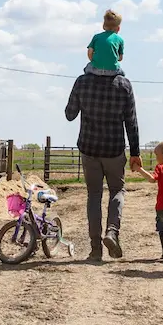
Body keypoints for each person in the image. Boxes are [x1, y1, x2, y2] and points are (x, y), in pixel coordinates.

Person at [64, 63, 142, 261]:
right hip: (114, 149)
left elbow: (69, 114)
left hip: (89, 147)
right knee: (117, 190)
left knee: (94, 195)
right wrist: (135, 152)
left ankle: (95, 248)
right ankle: (112, 232)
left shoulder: (82, 82)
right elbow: (131, 121)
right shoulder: (124, 85)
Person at [86, 9, 125, 74]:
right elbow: (120, 58)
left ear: (103, 26)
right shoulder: (120, 39)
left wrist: (94, 61)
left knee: (87, 68)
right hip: (112, 71)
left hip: (95, 69)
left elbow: (90, 52)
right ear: (118, 28)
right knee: (122, 73)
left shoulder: (96, 37)